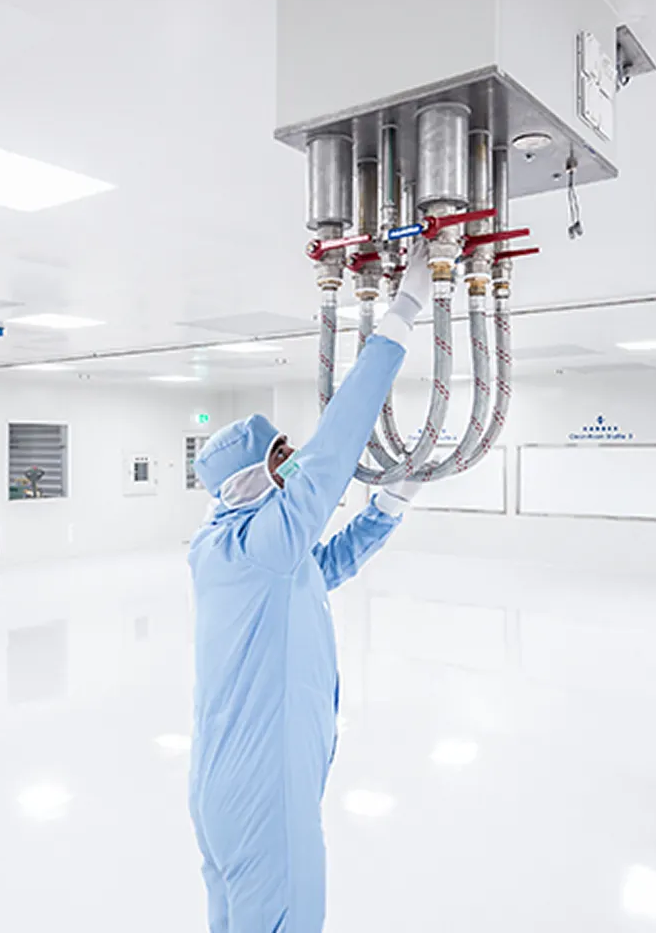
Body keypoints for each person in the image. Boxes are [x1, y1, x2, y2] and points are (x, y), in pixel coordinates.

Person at [187, 243, 433, 932]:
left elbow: (324, 568)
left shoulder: (232, 547)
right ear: (249, 479)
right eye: (281, 460)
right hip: (265, 793)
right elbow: (333, 455)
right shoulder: (259, 543)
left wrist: (394, 502)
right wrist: (402, 316)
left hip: (223, 790)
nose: (294, 467)